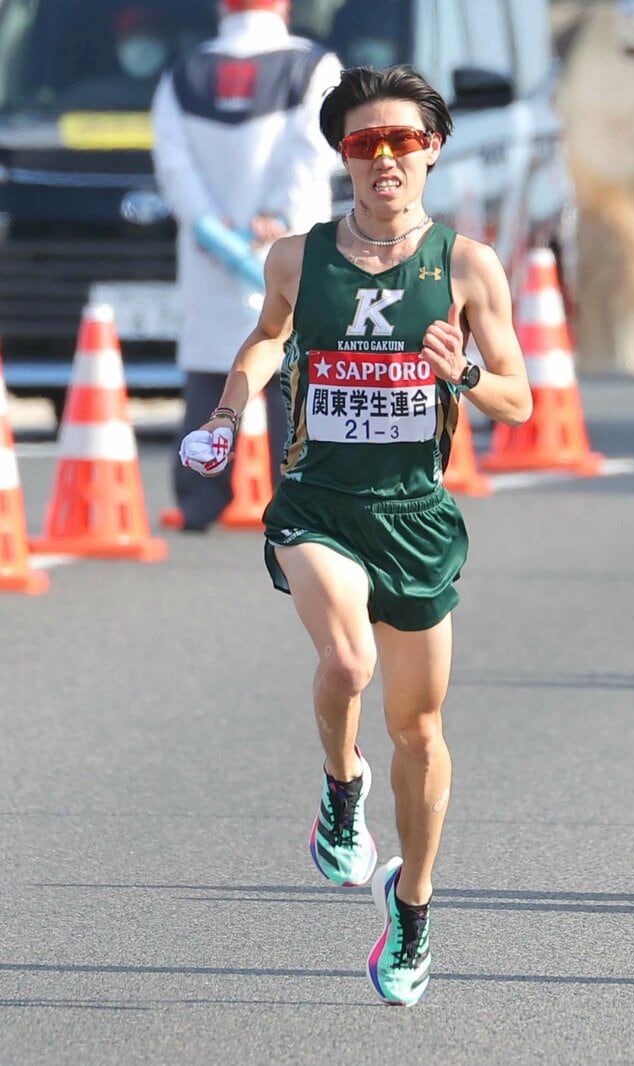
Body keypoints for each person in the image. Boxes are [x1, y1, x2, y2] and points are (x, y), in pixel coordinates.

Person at [179, 64, 532, 1006]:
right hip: (318, 504)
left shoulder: (465, 265)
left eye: (402, 142)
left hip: (413, 515)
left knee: (419, 732)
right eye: (363, 143)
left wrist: (458, 378)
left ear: (432, 152)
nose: (384, 158)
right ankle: (341, 791)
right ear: (341, 156)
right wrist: (225, 412)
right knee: (347, 662)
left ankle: (412, 905)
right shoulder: (297, 256)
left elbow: (520, 398)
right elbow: (267, 335)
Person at [151, 0, 342, 531]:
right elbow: (315, 150)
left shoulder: (184, 72)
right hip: (288, 244)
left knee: (211, 380)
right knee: (292, 375)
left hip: (211, 251)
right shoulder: (315, 66)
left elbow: (172, 161)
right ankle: (300, 503)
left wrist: (210, 226)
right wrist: (277, 214)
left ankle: (198, 500)